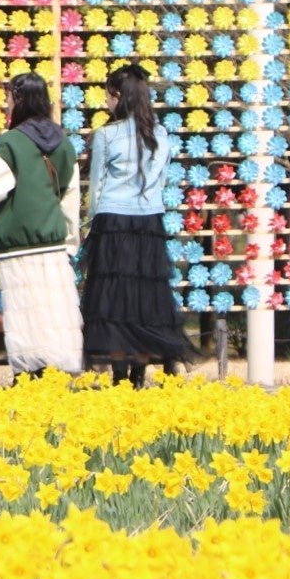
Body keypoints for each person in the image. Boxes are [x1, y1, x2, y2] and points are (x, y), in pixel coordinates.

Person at [0, 72, 84, 377]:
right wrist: (70, 242)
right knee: (54, 315)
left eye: (8, 97)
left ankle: (28, 378)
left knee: (25, 317)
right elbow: (70, 196)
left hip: (19, 246)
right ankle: (55, 376)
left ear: (18, 99)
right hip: (54, 245)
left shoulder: (12, 142)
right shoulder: (64, 144)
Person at [81, 63, 195, 386]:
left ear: (118, 96)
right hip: (149, 224)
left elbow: (98, 186)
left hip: (113, 222)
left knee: (113, 299)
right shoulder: (160, 135)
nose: (106, 103)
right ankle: (139, 373)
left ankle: (118, 374)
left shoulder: (106, 134)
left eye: (108, 96)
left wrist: (89, 225)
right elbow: (160, 180)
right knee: (145, 298)